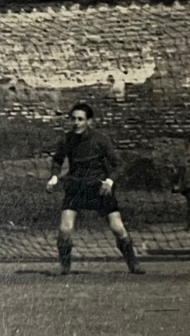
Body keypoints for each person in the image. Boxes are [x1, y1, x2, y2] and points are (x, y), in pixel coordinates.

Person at [46, 102, 144, 276]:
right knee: (65, 229)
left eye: (80, 119)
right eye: (73, 119)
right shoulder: (67, 140)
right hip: (76, 187)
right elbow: (57, 160)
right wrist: (54, 176)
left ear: (89, 121)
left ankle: (133, 263)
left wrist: (110, 181)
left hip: (99, 189)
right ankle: (64, 266)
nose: (76, 123)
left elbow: (118, 164)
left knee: (118, 228)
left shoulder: (100, 140)